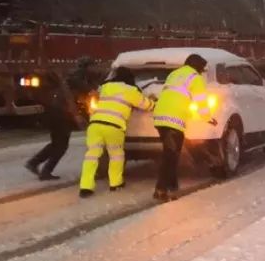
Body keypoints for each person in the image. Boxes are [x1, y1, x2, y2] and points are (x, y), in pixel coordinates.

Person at [79, 66, 154, 198]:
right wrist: (155, 103)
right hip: (114, 126)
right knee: (116, 155)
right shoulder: (130, 90)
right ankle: (115, 183)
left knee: (92, 155)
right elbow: (146, 105)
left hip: (95, 125)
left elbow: (93, 97)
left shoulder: (105, 87)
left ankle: (85, 186)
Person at [151, 53, 210, 201]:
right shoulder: (195, 78)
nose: (201, 72)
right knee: (170, 156)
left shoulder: (174, 74)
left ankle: (171, 187)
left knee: (170, 153)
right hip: (174, 119)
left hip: (160, 117)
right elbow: (201, 102)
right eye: (202, 69)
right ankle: (161, 190)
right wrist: (207, 118)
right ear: (198, 67)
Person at [25, 73, 83, 181]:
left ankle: (34, 162)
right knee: (61, 147)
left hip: (53, 117)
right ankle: (45, 171)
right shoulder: (68, 91)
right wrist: (78, 119)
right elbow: (71, 106)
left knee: (56, 144)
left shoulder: (62, 88)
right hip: (60, 119)